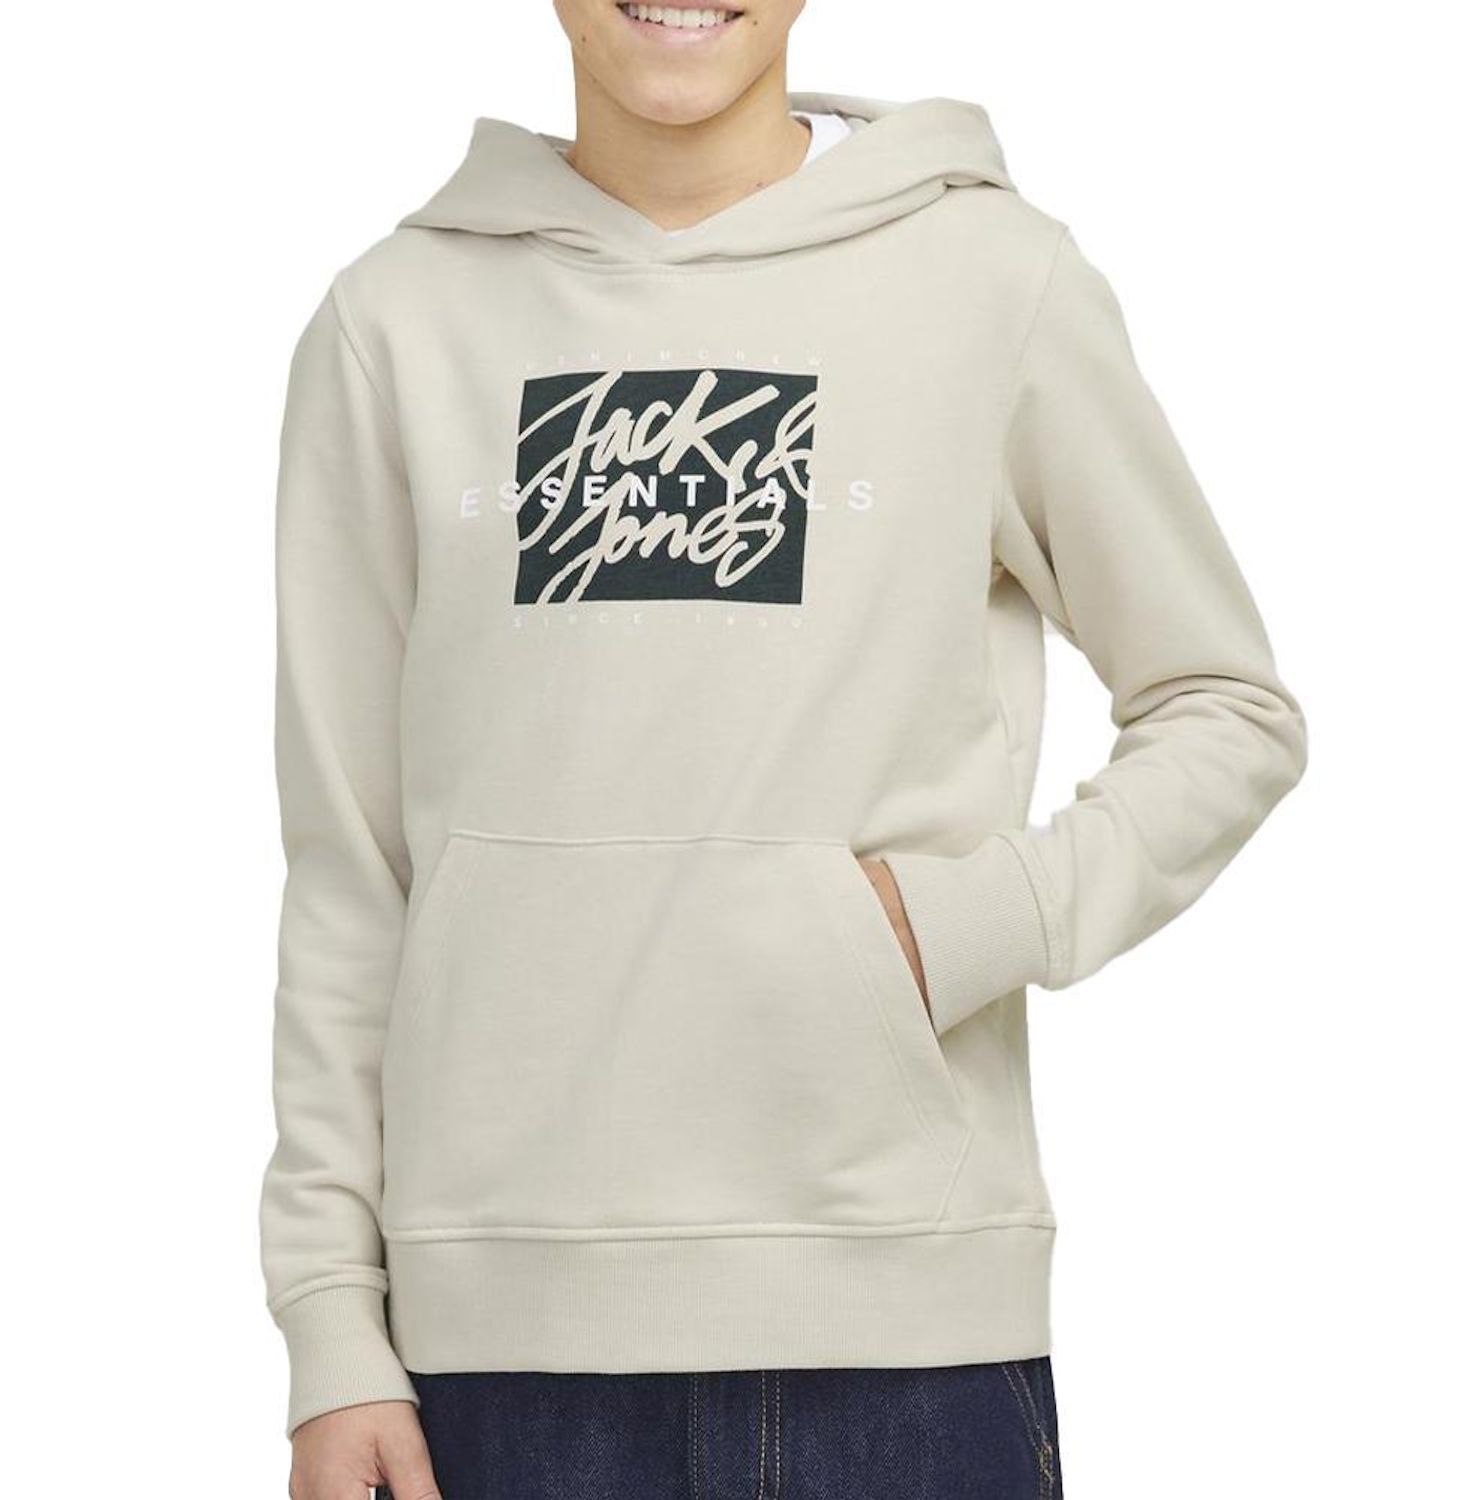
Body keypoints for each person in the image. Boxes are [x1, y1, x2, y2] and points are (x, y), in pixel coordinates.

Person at [258, 1, 1310, 1495]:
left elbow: (1225, 705)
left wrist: (961, 924)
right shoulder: (393, 323)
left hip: (905, 1342)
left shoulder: (992, 283)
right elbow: (347, 864)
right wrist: (328, 1323)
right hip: (492, 1351)